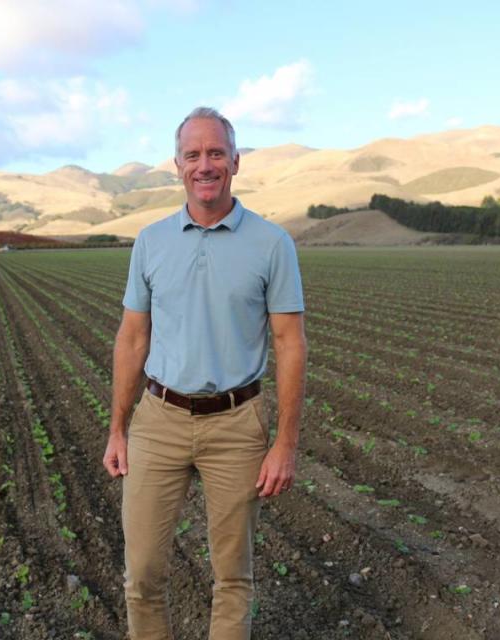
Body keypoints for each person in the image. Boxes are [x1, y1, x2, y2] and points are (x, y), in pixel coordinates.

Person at [102, 106, 307, 640]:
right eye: (193, 155)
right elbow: (132, 338)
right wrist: (118, 428)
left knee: (232, 576)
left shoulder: (272, 244)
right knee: (142, 573)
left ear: (235, 162)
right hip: (159, 419)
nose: (205, 164)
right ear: (177, 166)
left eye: (216, 152)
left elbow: (289, 342)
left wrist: (284, 442)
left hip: (237, 424)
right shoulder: (150, 241)